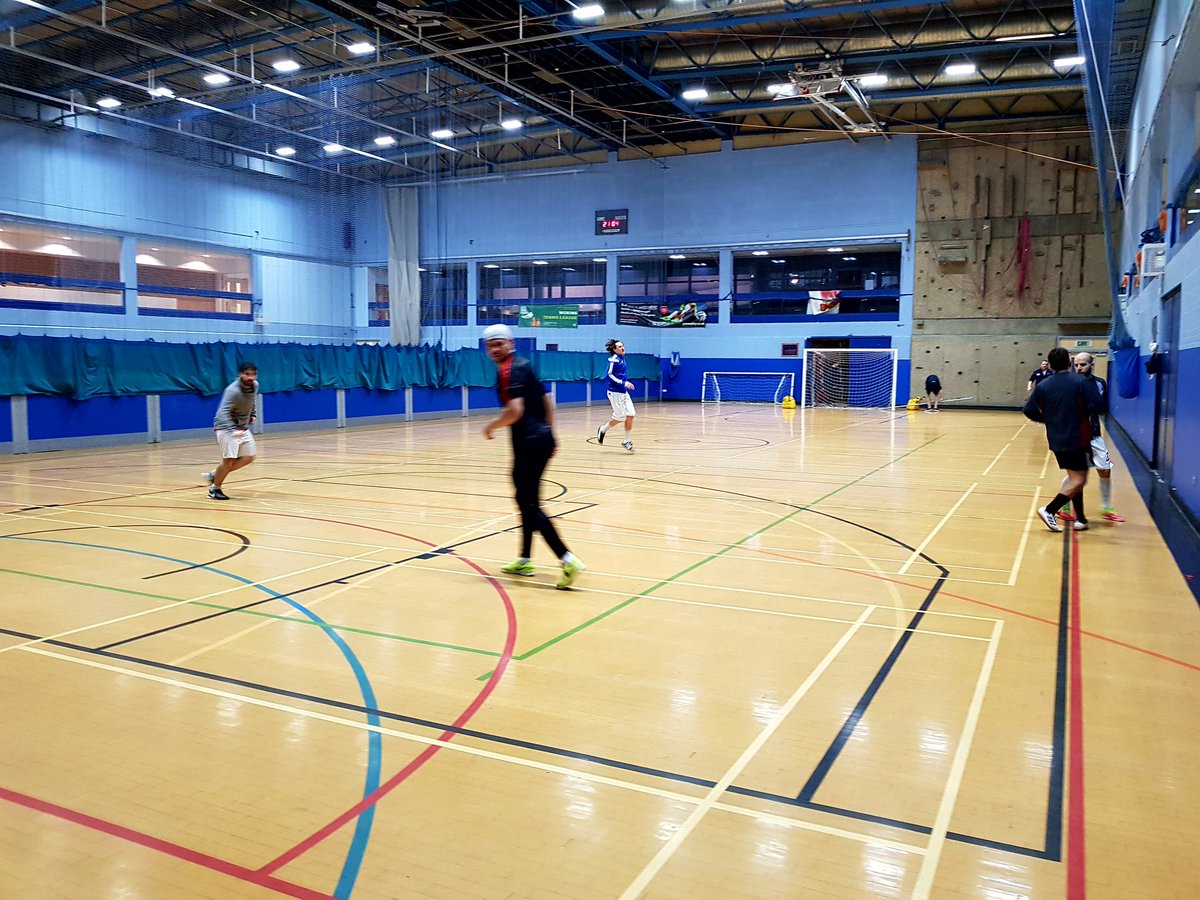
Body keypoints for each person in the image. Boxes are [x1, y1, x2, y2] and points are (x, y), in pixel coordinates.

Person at [481, 324, 585, 589]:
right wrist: (551, 433)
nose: (494, 349)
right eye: (490, 345)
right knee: (526, 500)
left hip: (529, 442)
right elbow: (547, 398)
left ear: (510, 343)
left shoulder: (510, 370)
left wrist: (491, 426)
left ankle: (567, 558)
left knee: (528, 504)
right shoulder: (523, 364)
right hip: (538, 439)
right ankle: (525, 559)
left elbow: (515, 411)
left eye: (499, 343)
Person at [1023, 347, 1103, 532]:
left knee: (1074, 476)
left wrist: (1047, 419)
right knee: (1079, 480)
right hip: (1077, 437)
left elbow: (1028, 409)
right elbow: (1098, 405)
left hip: (1056, 439)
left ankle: (1081, 519)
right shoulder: (1080, 381)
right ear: (1069, 363)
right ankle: (1050, 510)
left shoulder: (1043, 385)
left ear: (1050, 365)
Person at [1056, 352, 1124, 523]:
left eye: (1083, 365)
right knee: (1075, 473)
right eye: (1077, 365)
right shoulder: (1068, 384)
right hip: (1074, 435)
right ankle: (1064, 506)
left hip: (1094, 434)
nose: (1079, 368)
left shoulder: (1100, 383)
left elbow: (1100, 407)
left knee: (1105, 469)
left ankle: (1106, 507)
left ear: (1091, 365)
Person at [203, 361, 259, 501]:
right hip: (225, 428)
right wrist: (232, 430)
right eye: (247, 374)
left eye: (253, 374)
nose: (250, 377)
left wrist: (253, 413)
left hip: (242, 427)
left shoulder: (255, 386)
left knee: (249, 457)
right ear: (240, 375)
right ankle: (214, 489)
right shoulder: (232, 390)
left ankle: (214, 474)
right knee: (229, 461)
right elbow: (223, 412)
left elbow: (251, 400)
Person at [597, 338, 636, 451]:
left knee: (631, 414)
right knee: (620, 417)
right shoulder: (613, 360)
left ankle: (626, 440)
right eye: (619, 346)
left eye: (622, 345)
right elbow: (609, 375)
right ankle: (603, 429)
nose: (622, 347)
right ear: (614, 349)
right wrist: (624, 383)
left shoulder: (622, 359)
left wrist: (624, 384)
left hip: (623, 392)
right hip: (615, 392)